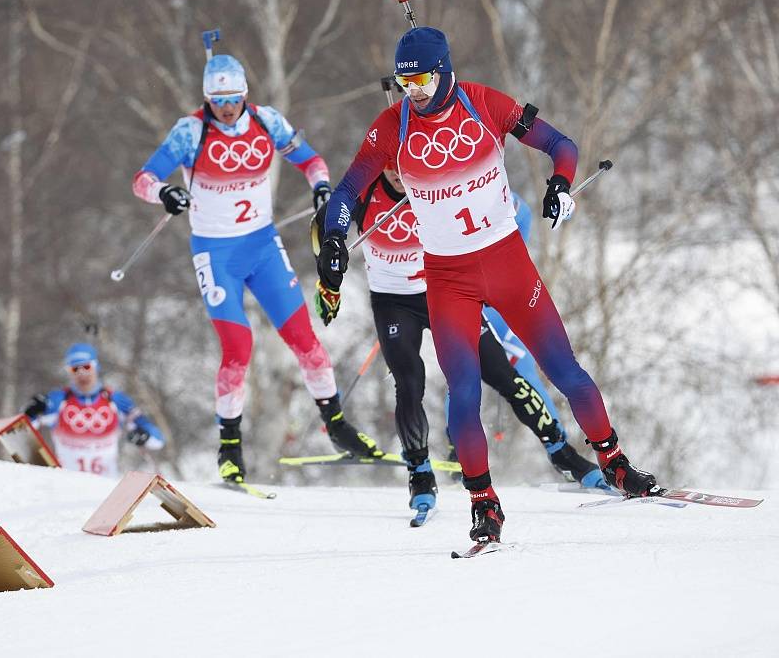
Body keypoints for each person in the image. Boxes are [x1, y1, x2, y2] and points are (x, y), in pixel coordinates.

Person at [318, 27, 656, 543]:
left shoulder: (483, 103)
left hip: (508, 266)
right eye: (407, 84)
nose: (417, 93)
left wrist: (561, 185)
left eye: (425, 81)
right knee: (464, 392)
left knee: (565, 370)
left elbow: (561, 144)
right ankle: (484, 502)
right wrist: (336, 237)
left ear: (446, 70)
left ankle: (613, 461)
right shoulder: (392, 126)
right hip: (448, 279)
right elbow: (346, 191)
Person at [131, 52, 384, 485]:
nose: (226, 108)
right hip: (216, 254)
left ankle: (338, 427)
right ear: (206, 98)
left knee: (306, 342)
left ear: (245, 94)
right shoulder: (191, 131)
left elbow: (311, 160)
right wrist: (166, 193)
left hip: (263, 247)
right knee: (238, 348)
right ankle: (229, 450)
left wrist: (321, 189)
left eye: (232, 99)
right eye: (217, 100)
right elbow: (143, 179)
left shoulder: (266, 120)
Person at [313, 166, 607, 515]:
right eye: (388, 167)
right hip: (393, 302)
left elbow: (496, 212)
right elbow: (323, 229)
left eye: (401, 165)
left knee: (504, 375)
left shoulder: (433, 186)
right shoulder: (364, 196)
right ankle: (420, 474)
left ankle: (565, 455)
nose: (397, 174)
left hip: (445, 293)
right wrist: (329, 272)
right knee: (409, 384)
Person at [22, 343, 164, 477]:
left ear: (96, 367)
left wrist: (144, 435)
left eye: (86, 367)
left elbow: (158, 440)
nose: (82, 373)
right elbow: (20, 430)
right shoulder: (57, 400)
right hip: (66, 485)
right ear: (69, 371)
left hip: (105, 486)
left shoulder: (116, 400)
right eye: (75, 369)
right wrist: (30, 412)